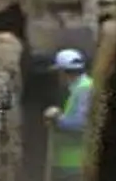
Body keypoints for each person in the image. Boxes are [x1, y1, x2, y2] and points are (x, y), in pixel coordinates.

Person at [43, 48, 94, 181]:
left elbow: (81, 124)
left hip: (76, 164)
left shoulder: (84, 89)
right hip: (70, 164)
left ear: (62, 72)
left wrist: (57, 119)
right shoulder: (78, 89)